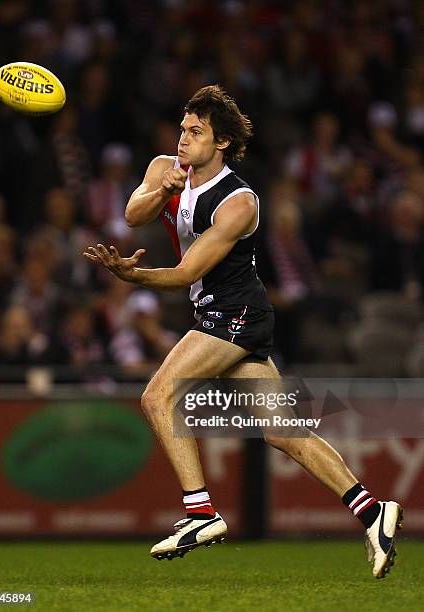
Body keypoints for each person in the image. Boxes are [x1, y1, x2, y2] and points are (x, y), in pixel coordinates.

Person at [84, 85, 402, 578]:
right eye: (183, 130)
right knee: (283, 431)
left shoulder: (239, 202)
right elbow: (132, 214)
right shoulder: (164, 167)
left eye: (196, 132)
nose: (184, 140)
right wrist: (162, 188)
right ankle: (373, 511)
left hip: (235, 314)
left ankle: (200, 512)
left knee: (157, 396)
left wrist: (133, 276)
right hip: (221, 315)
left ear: (223, 142)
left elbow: (186, 273)